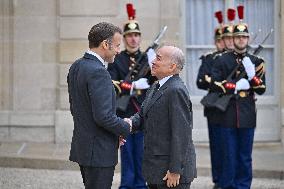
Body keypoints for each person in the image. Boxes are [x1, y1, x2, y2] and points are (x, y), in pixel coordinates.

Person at [67, 22, 132, 189]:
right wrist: (125, 126)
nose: (119, 50)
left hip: (85, 147)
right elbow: (103, 116)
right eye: (117, 45)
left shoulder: (77, 65)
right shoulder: (99, 72)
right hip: (99, 151)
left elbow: (78, 109)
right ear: (105, 44)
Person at [127, 45, 197, 189]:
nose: (152, 61)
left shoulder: (176, 90)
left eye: (158, 58)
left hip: (170, 173)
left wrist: (175, 170)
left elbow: (181, 134)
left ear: (172, 67)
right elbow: (142, 116)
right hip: (156, 169)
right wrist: (127, 123)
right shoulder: (156, 86)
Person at [210, 19, 266, 189]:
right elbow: (215, 84)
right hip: (227, 113)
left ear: (248, 39)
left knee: (245, 156)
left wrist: (252, 76)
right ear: (232, 39)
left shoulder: (256, 61)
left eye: (244, 36)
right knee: (229, 154)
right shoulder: (222, 60)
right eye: (238, 36)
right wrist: (234, 86)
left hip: (247, 114)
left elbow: (262, 88)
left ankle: (243, 186)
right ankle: (228, 186)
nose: (241, 40)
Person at [107, 4, 155, 189]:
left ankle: (140, 185)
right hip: (124, 110)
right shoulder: (117, 59)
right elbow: (111, 82)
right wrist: (132, 86)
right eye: (129, 35)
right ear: (125, 38)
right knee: (126, 151)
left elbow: (157, 83)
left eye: (136, 35)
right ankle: (127, 184)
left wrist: (153, 67)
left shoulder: (148, 58)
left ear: (140, 37)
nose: (133, 39)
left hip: (143, 111)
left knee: (142, 151)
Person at [196, 11, 225, 189]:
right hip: (215, 108)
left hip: (233, 108)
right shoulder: (209, 58)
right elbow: (201, 80)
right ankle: (218, 180)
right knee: (217, 146)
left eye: (226, 39)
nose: (223, 43)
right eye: (220, 40)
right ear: (216, 41)